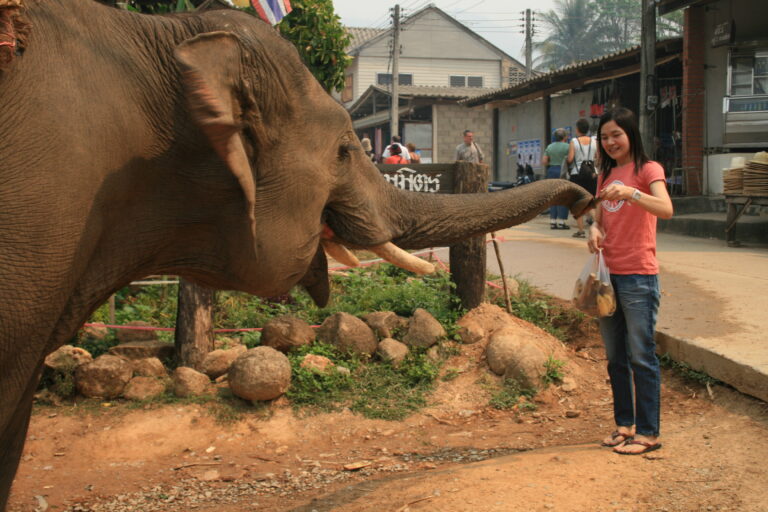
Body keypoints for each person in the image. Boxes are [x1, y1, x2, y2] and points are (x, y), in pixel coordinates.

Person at [587, 107, 673, 456]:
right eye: (604, 137)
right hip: (608, 275)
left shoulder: (648, 170)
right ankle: (625, 425)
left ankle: (649, 433)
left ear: (630, 134)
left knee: (641, 355)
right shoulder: (606, 173)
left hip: (638, 274)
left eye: (616, 135)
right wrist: (593, 228)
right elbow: (597, 216)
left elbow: (666, 209)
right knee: (614, 358)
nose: (610, 142)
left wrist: (631, 194)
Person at [566, 118, 598, 237]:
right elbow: (598, 157)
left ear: (577, 129)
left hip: (577, 173)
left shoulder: (574, 141)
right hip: (592, 173)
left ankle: (581, 231)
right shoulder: (595, 141)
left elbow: (570, 158)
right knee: (591, 201)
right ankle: (598, 225)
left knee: (577, 201)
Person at [541, 128, 570, 229]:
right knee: (563, 196)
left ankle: (553, 221)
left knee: (553, 196)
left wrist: (551, 163)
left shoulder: (549, 147)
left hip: (552, 171)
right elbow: (571, 159)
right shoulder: (568, 146)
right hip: (563, 171)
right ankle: (561, 222)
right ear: (565, 137)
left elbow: (544, 161)